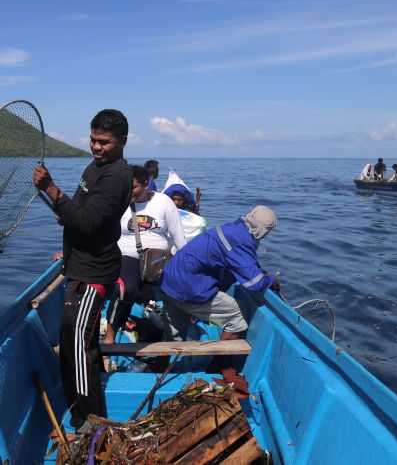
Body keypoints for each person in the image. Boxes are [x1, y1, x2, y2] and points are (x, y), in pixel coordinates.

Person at [32, 109, 133, 431]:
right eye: (92, 140)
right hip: (77, 265)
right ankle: (78, 409)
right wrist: (60, 205)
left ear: (122, 142)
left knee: (79, 342)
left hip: (94, 272)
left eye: (104, 142)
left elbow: (88, 223)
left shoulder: (117, 176)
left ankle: (91, 421)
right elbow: (78, 213)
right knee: (70, 335)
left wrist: (51, 189)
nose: (96, 147)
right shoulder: (95, 169)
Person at [160, 206, 279, 392]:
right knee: (236, 319)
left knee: (175, 336)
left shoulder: (232, 228)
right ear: (263, 231)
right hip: (188, 288)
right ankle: (223, 368)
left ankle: (163, 371)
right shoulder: (242, 241)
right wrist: (271, 279)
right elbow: (255, 284)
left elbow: (234, 264)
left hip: (169, 282)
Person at [105, 165, 186, 353]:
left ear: (146, 184)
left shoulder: (164, 202)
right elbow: (102, 232)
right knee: (126, 289)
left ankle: (175, 337)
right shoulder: (118, 202)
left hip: (158, 258)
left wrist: (189, 265)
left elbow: (178, 237)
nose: (127, 191)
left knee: (180, 288)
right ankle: (109, 338)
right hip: (128, 255)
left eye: (133, 187)